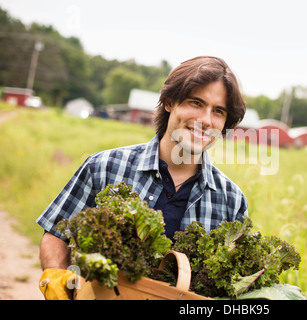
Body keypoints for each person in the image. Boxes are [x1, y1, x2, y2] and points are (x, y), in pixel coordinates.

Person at [36, 56, 248, 300]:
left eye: (218, 112)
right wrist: (54, 273)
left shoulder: (232, 201)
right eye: (196, 103)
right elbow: (56, 233)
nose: (206, 120)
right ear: (170, 102)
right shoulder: (104, 167)